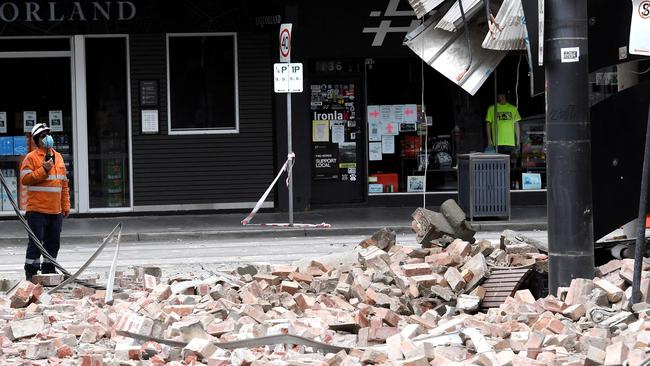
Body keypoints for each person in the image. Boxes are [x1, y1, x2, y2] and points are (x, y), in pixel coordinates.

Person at [20, 123, 70, 281]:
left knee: (53, 243)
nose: (47, 138)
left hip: (55, 211)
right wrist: (44, 169)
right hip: (37, 210)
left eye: (48, 135)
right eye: (43, 136)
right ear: (37, 139)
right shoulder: (31, 157)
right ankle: (31, 273)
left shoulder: (59, 157)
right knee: (35, 244)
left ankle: (49, 270)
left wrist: (66, 205)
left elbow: (63, 184)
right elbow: (25, 179)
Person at [485, 91, 522, 155]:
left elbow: (516, 125)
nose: (497, 97)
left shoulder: (513, 109)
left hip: (510, 142)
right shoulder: (492, 108)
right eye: (497, 95)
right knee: (498, 162)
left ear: (503, 96)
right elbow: (488, 124)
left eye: (499, 95)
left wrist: (518, 141)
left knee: (509, 162)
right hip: (497, 142)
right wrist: (489, 140)